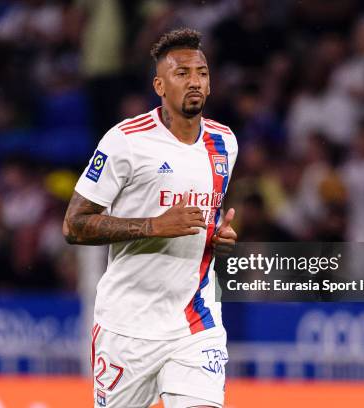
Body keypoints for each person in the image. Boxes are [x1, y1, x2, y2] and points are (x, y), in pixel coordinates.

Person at [63, 28, 238, 408]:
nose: (195, 81)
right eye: (182, 73)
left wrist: (216, 235)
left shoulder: (225, 142)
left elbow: (205, 216)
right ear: (159, 85)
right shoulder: (125, 140)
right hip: (127, 327)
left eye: (202, 73)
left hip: (195, 320)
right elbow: (73, 225)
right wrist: (153, 227)